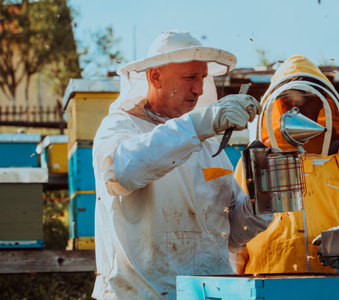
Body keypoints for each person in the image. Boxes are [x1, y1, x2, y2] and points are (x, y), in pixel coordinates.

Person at [92, 30, 271, 299]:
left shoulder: (208, 145)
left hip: (210, 294)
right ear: (155, 76)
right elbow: (120, 173)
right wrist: (201, 124)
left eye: (201, 78)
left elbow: (231, 234)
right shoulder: (121, 127)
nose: (199, 89)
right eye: (190, 77)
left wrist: (263, 198)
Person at [232, 55, 339, 274]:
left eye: (307, 100)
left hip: (336, 285)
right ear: (277, 104)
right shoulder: (254, 160)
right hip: (266, 284)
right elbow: (233, 239)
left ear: (322, 102)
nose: (297, 109)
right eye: (289, 101)